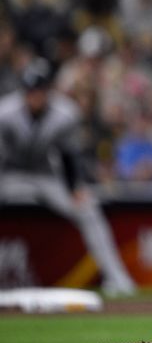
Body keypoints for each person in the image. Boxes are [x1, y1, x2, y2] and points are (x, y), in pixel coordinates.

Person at [0, 57, 136, 296]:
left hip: (45, 176)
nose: (35, 96)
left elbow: (69, 154)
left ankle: (118, 279)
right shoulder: (5, 113)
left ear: (48, 91)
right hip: (10, 177)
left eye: (40, 91)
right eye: (31, 91)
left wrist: (75, 187)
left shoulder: (65, 113)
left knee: (87, 207)